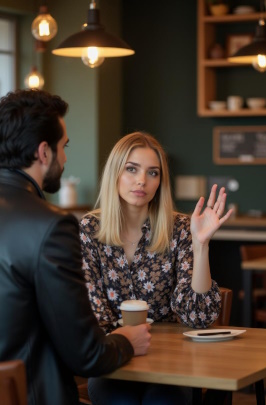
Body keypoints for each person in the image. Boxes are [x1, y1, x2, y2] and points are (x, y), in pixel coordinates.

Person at [0, 90, 151, 405]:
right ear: (44, 152)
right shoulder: (51, 226)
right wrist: (125, 340)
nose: (65, 158)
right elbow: (87, 356)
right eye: (63, 147)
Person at [79, 131, 233, 405]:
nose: (142, 181)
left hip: (172, 361)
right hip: (113, 360)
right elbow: (93, 315)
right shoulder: (89, 230)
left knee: (163, 400)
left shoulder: (182, 228)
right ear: (114, 173)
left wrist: (200, 246)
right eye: (131, 169)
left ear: (161, 182)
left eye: (153, 173)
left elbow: (197, 318)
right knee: (120, 399)